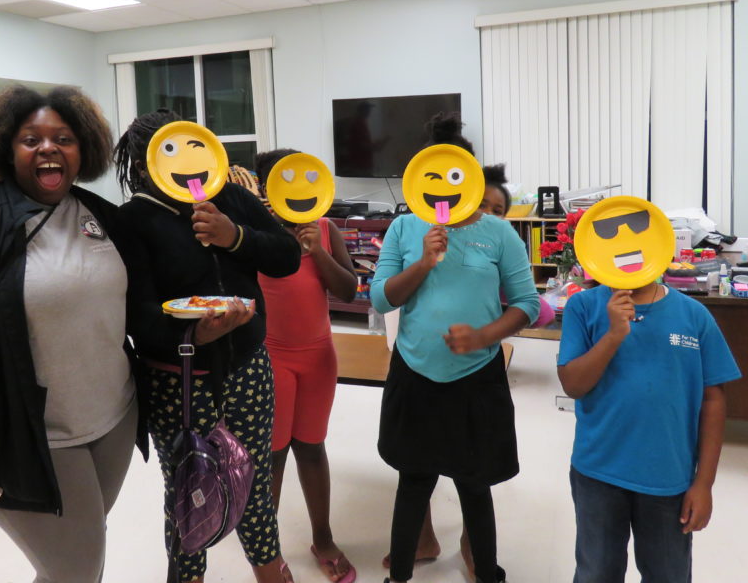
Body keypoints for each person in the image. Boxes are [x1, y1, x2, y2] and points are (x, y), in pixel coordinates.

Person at [0, 86, 146, 583]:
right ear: (6, 149)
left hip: (112, 419)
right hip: (27, 435)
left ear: (84, 149)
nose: (48, 148)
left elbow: (140, 304)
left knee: (74, 558)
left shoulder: (101, 216)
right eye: (30, 139)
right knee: (78, 568)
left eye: (63, 138)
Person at [114, 110, 301, 583]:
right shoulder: (133, 220)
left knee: (253, 480)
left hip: (247, 369)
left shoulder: (232, 197)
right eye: (164, 152)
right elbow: (137, 315)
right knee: (189, 485)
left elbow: (287, 256)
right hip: (177, 380)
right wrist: (195, 336)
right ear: (142, 165)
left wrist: (233, 236)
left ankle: (270, 569)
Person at [372, 112, 540, 583]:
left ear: (469, 178)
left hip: (476, 376)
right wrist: (424, 260)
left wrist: (485, 337)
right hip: (416, 372)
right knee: (413, 481)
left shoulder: (500, 233)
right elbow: (381, 296)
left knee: (474, 483)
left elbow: (527, 304)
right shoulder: (405, 229)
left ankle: (486, 571)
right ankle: (399, 577)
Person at [557, 272, 741, 581]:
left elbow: (713, 400)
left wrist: (704, 483)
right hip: (598, 472)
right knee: (597, 571)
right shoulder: (584, 306)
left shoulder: (693, 314)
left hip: (668, 478)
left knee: (668, 572)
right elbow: (573, 385)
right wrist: (614, 334)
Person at [255, 148, 358, 583]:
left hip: (319, 357)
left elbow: (350, 290)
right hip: (271, 357)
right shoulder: (254, 232)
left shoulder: (325, 227)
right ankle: (267, 550)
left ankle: (323, 537)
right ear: (265, 189)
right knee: (273, 455)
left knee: (312, 448)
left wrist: (317, 251)